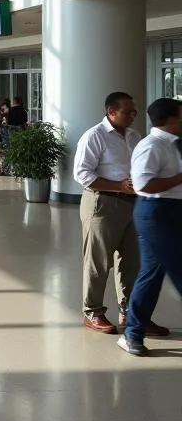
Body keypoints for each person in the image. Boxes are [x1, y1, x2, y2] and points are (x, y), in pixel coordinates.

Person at [73, 91, 167, 336]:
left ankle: (131, 313)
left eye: (134, 111)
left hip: (134, 204)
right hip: (103, 203)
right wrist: (118, 186)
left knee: (132, 262)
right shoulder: (94, 136)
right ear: (111, 112)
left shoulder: (135, 136)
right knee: (98, 261)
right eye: (127, 112)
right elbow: (82, 174)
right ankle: (92, 312)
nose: (133, 115)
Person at [119, 97, 182, 356]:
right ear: (171, 119)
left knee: (152, 274)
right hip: (156, 213)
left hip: (175, 210)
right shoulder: (151, 145)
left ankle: (132, 332)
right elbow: (144, 185)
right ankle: (132, 332)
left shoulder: (176, 144)